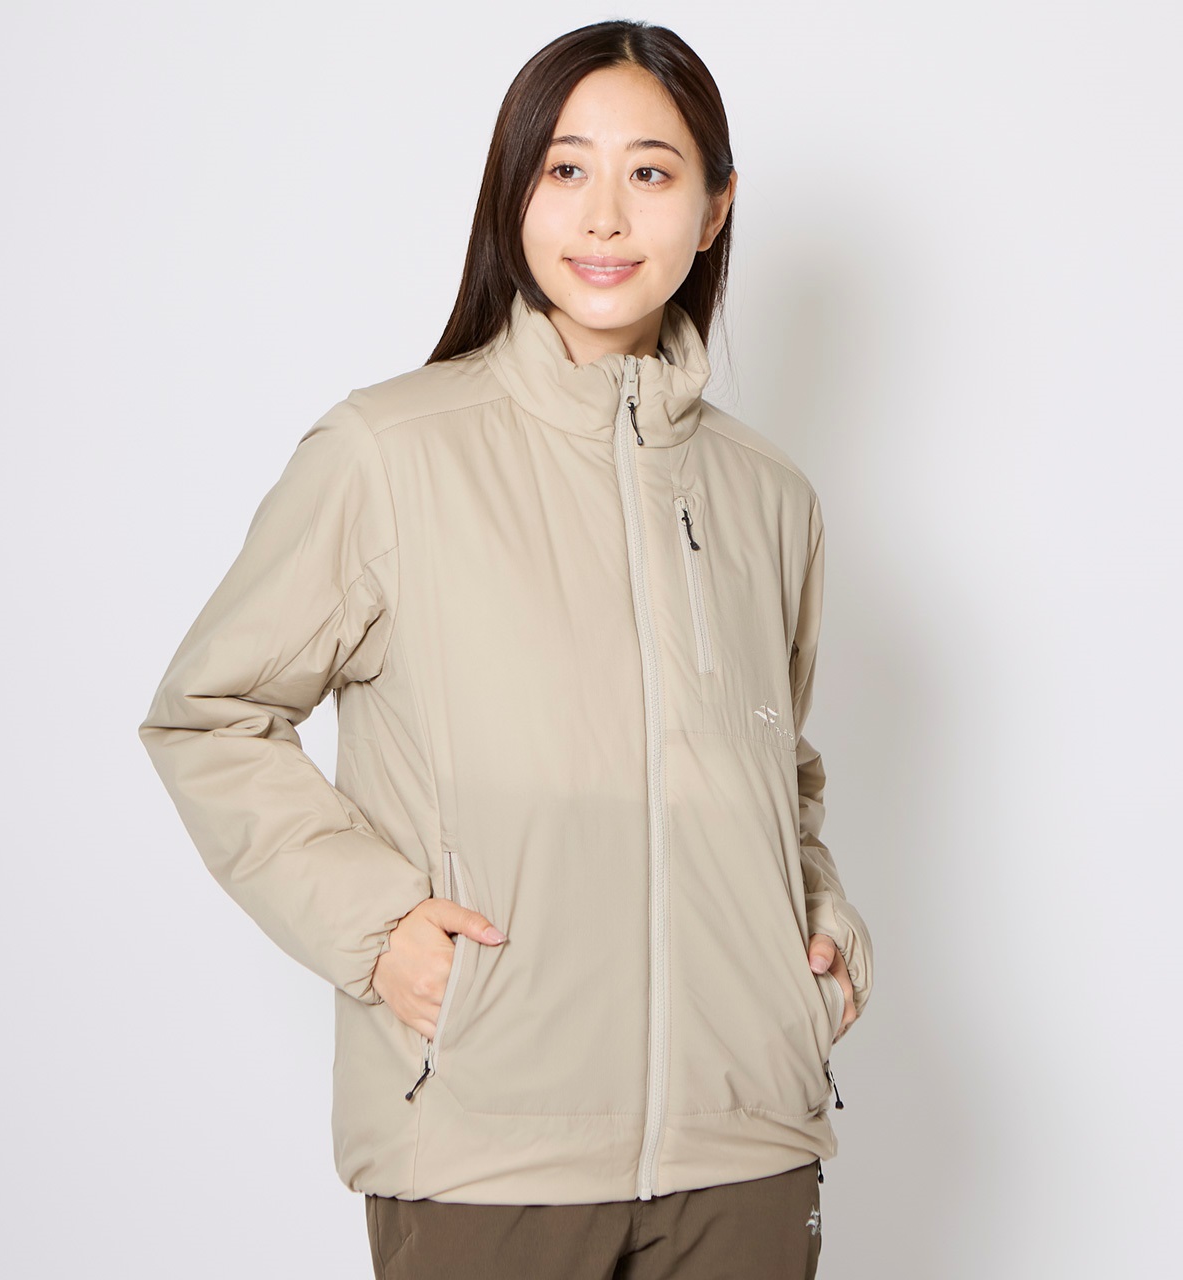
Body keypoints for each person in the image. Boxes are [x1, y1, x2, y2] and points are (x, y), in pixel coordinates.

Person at [138, 17, 875, 1279]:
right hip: (486, 1147)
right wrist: (377, 925)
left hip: (746, 1144)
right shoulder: (387, 454)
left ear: (712, 209)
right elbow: (208, 713)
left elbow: (774, 768)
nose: (604, 216)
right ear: (511, 195)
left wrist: (813, 923)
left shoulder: (769, 495)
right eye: (563, 168)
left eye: (649, 172)